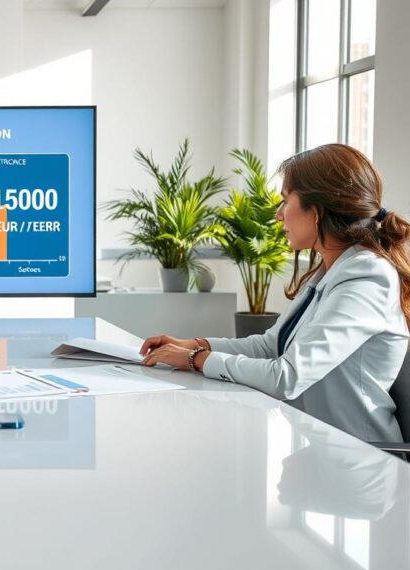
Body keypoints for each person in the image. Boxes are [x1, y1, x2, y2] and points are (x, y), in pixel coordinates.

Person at [140, 143, 410, 443]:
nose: (279, 215)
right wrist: (195, 344)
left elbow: (287, 376)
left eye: (285, 201)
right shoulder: (331, 270)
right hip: (320, 445)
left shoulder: (367, 278)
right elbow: (270, 346)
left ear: (317, 211)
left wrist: (196, 359)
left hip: (361, 456)